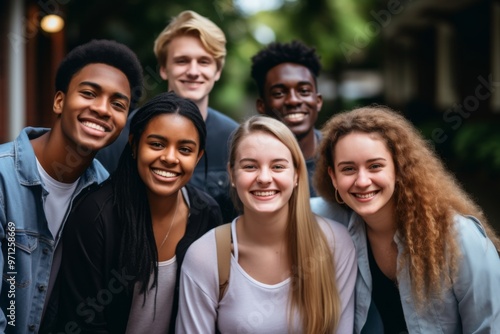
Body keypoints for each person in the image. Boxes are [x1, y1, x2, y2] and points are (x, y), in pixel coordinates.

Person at [313, 105, 500, 333]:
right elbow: (283, 211)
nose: (362, 181)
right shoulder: (332, 221)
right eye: (348, 169)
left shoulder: (459, 236)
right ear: (333, 177)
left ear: (398, 168)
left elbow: (490, 327)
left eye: (375, 166)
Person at [0, 39, 143, 333]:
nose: (103, 109)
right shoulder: (3, 177)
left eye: (118, 104)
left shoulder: (107, 194)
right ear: (59, 101)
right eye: (89, 93)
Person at [53, 91, 223, 333]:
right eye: (157, 144)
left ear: (198, 157)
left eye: (185, 150)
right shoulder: (95, 215)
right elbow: (83, 323)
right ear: (134, 144)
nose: (170, 158)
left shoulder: (206, 214)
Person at [176, 115, 357, 333]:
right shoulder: (205, 256)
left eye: (278, 166)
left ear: (297, 175)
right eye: (250, 166)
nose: (264, 178)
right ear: (232, 174)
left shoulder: (335, 243)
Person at [97, 10, 239, 223]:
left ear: (217, 71)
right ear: (163, 69)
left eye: (204, 62)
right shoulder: (123, 134)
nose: (193, 71)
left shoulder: (235, 140)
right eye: (182, 61)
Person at [250, 40, 323, 197]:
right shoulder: (248, 165)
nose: (293, 101)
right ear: (261, 105)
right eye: (279, 93)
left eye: (303, 91)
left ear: (318, 101)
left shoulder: (339, 156)